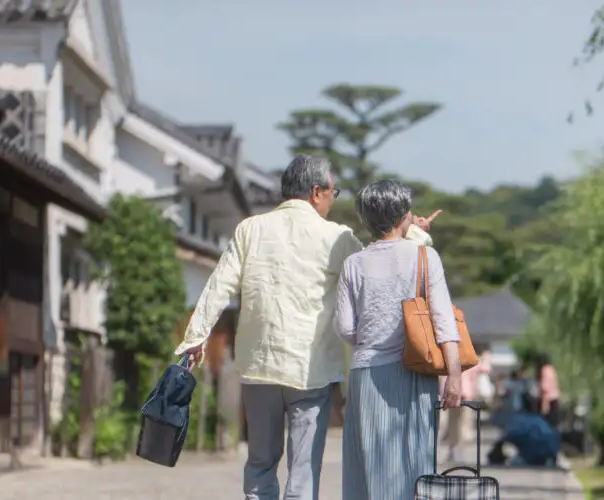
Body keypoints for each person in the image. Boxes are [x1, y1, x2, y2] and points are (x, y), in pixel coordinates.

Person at [175, 155, 440, 500]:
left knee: (260, 463)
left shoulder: (250, 229)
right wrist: (416, 232)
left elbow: (218, 286)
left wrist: (196, 337)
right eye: (333, 191)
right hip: (311, 369)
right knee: (303, 470)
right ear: (316, 192)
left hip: (259, 367)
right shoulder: (336, 237)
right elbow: (380, 260)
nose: (333, 198)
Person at [334, 179, 462, 500]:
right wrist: (454, 375)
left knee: (368, 467)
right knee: (413, 466)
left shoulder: (353, 264)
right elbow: (443, 319)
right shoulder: (425, 257)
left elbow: (346, 327)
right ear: (404, 215)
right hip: (413, 372)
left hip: (366, 374)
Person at [536, 352, 560, 429]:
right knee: (553, 424)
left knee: (547, 425)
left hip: (548, 400)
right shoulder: (551, 369)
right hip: (555, 399)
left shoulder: (544, 370)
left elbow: (545, 390)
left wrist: (544, 407)